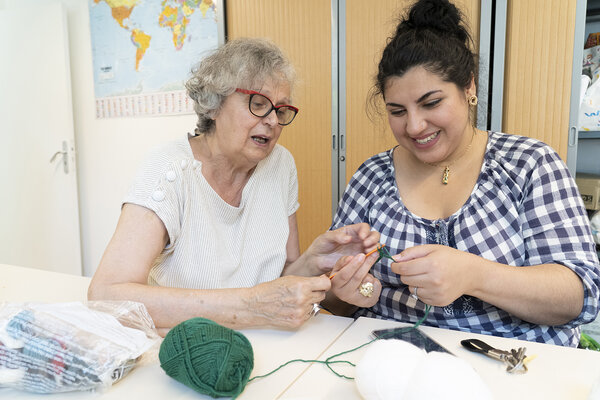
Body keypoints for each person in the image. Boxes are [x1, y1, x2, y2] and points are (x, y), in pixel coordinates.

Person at [330, 0, 600, 346]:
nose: (414, 126)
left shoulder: (528, 163)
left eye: (431, 103)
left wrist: (474, 275)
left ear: (469, 87)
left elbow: (580, 296)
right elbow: (335, 301)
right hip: (391, 363)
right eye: (397, 111)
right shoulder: (372, 177)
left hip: (517, 367)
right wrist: (352, 291)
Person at [88, 38, 381, 336]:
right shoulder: (168, 168)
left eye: (280, 110)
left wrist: (313, 261)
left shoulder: (281, 164)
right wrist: (251, 306)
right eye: (258, 103)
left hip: (268, 341)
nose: (272, 121)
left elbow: (280, 277)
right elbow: (106, 296)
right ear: (214, 105)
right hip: (191, 347)